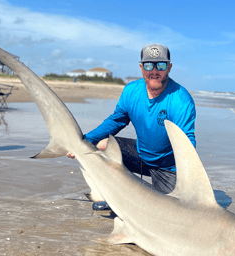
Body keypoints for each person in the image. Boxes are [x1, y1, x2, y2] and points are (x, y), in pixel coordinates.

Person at [68, 43, 196, 210]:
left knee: (167, 211)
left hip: (168, 166)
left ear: (169, 67)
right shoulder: (131, 91)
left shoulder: (181, 100)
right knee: (100, 145)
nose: (154, 71)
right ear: (141, 67)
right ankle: (110, 195)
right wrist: (86, 140)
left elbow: (186, 142)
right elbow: (116, 121)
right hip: (141, 155)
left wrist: (190, 180)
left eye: (161, 65)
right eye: (149, 65)